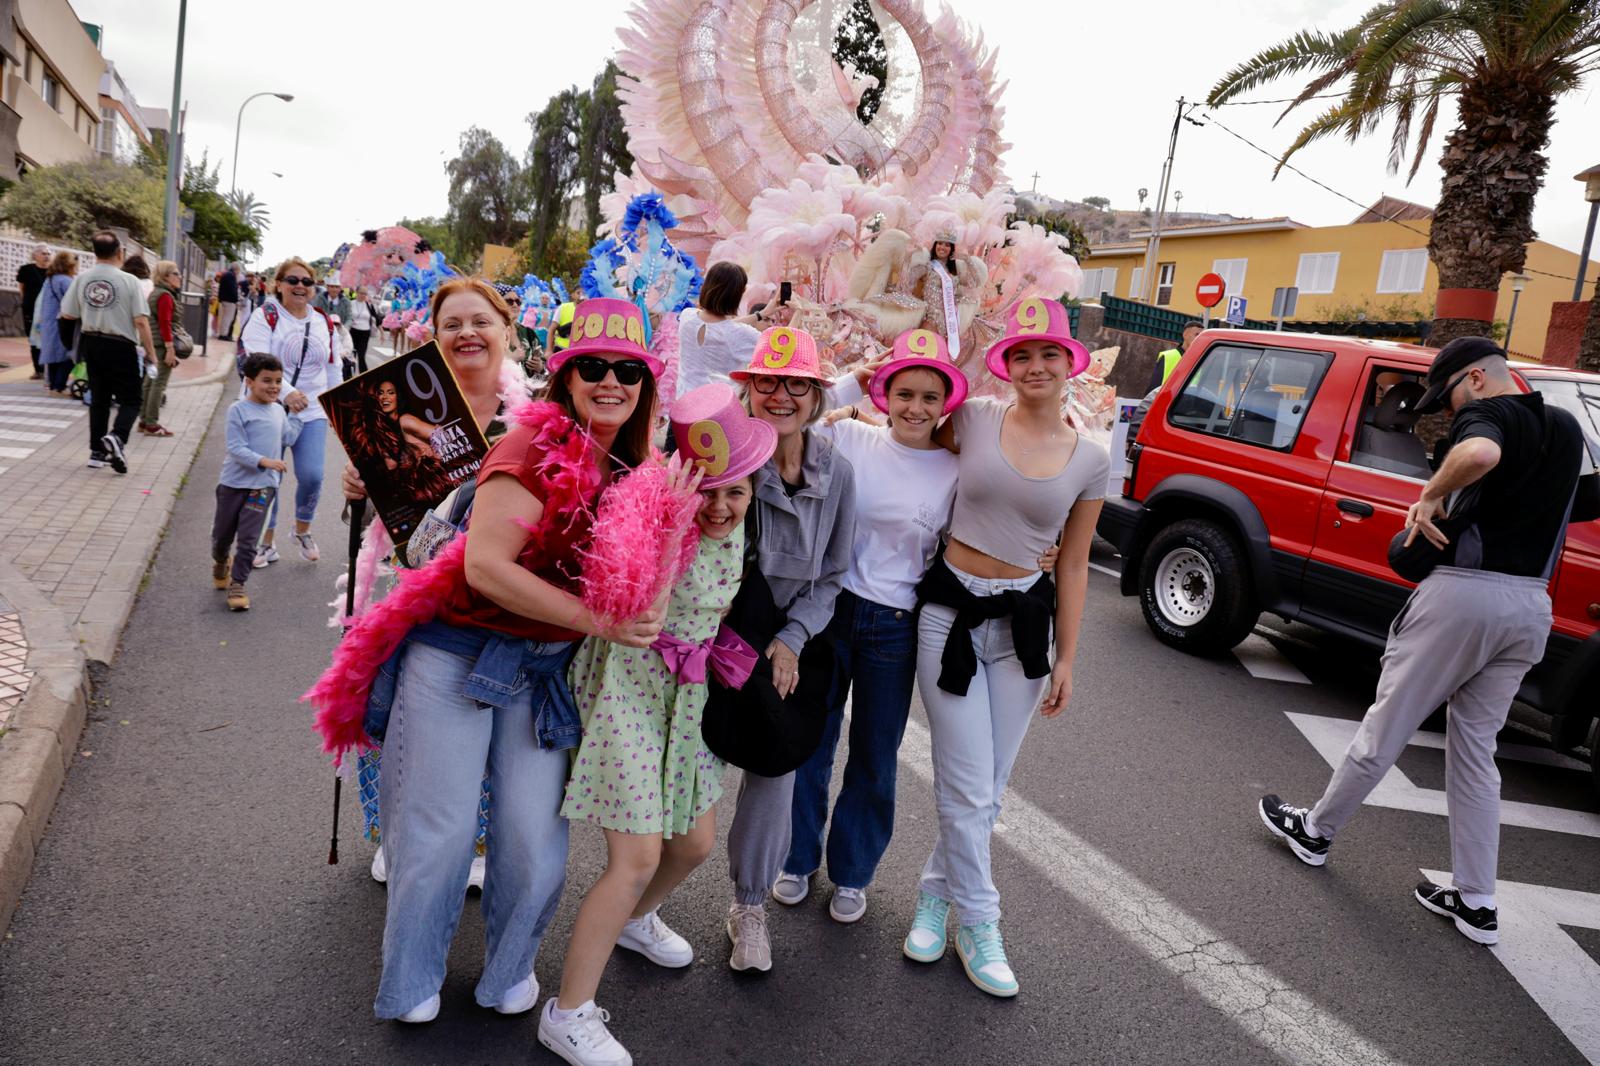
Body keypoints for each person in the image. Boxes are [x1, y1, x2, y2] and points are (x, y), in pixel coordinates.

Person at [346, 297, 668, 1024]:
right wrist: (601, 622)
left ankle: (509, 971)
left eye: (627, 369)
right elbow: (488, 568)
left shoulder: (632, 468)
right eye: (592, 367)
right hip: (457, 653)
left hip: (541, 670)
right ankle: (412, 983)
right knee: (442, 832)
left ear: (646, 383)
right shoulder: (528, 452)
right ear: (566, 378)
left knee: (532, 841)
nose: (610, 381)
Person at [1259, 336, 1584, 947]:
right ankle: (1476, 899)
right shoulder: (1566, 429)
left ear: (1480, 378)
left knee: (1390, 722)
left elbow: (1482, 452)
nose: (1450, 409)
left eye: (1452, 393)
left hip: (1464, 595)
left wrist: (1431, 492)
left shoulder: (1487, 414)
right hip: (1529, 606)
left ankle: (1315, 833)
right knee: (1475, 751)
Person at [543, 384, 774, 1066]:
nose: (724, 507)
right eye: (708, 492)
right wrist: (665, 526)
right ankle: (568, 1013)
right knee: (635, 855)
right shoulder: (653, 532)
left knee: (695, 843)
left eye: (737, 491)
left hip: (688, 698)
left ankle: (638, 919)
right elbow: (624, 598)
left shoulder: (740, 529)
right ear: (680, 488)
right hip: (629, 692)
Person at [904, 297, 1108, 998]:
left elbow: (1075, 563)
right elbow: (907, 440)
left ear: (1070, 361)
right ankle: (981, 922)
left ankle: (936, 897)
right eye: (1022, 354)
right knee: (966, 783)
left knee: (985, 792)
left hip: (1023, 630)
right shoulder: (975, 419)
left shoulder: (1092, 457)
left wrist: (1069, 658)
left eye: (1048, 352)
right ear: (1006, 364)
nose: (1035, 365)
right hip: (949, 618)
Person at [341, 277, 531, 888]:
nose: (467, 334)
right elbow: (384, 513)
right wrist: (359, 485)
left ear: (508, 330)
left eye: (481, 322)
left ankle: (473, 843)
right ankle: (389, 829)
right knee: (385, 705)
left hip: (489, 595)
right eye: (453, 324)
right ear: (435, 335)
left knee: (475, 713)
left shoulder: (533, 417)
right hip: (404, 583)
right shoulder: (400, 409)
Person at [721, 326, 856, 974]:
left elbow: (833, 574)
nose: (781, 395)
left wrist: (790, 640)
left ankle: (750, 908)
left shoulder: (839, 472)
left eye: (795, 383)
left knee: (774, 771)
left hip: (786, 645)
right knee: (684, 775)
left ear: (815, 395)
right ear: (748, 388)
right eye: (767, 382)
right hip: (713, 639)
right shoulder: (723, 454)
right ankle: (646, 902)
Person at [242, 258, 341, 565]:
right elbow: (256, 360)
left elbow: (333, 366)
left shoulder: (324, 321)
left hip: (311, 411)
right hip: (268, 409)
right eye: (293, 280)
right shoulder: (266, 316)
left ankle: (302, 529)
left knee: (312, 476)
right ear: (279, 284)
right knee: (269, 477)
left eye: (307, 282)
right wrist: (287, 393)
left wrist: (337, 409)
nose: (300, 286)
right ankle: (265, 542)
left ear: (314, 288)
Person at [58, 231, 159, 475]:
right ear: (120, 253)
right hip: (121, 344)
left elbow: (68, 314)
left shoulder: (82, 279)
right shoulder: (130, 281)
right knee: (132, 399)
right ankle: (117, 437)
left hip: (92, 342)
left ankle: (96, 452)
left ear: (95, 252)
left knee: (99, 399)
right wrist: (151, 353)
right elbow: (141, 321)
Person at [214, 354, 299, 610]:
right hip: (233, 484)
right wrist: (265, 461)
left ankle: (238, 583)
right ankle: (220, 560)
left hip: (263, 487)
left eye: (278, 381)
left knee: (249, 538)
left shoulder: (278, 411)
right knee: (222, 536)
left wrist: (296, 415)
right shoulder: (238, 410)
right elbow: (236, 448)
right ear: (249, 382)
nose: (274, 387)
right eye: (267, 381)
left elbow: (289, 438)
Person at [675, 262, 764, 399]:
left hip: (682, 406)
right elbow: (780, 346)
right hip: (719, 411)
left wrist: (761, 315)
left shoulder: (687, 316)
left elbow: (719, 327)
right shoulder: (739, 334)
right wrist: (797, 312)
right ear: (736, 295)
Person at [139, 260, 183, 438]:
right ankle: (152, 423)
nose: (179, 277)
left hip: (152, 343)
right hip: (161, 345)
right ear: (166, 276)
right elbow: (165, 323)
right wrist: (170, 348)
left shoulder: (156, 293)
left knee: (149, 383)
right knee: (158, 384)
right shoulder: (165, 296)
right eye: (176, 274)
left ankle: (144, 420)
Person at [37, 251, 78, 397]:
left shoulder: (50, 279)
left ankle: (53, 386)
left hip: (48, 322)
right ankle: (59, 386)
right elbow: (73, 303)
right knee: (69, 355)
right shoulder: (66, 281)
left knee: (53, 356)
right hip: (62, 323)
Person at [18, 243, 49, 380]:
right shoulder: (26, 270)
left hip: (48, 311)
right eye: (43, 253)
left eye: (48, 253)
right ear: (35, 255)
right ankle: (38, 370)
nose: (47, 256)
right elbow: (22, 289)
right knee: (33, 340)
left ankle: (47, 368)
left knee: (47, 339)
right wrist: (27, 303)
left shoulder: (53, 271)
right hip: (30, 310)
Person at [1148, 321, 1201, 394]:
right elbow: (1153, 388)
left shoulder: (1201, 360)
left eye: (1201, 336)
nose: (1199, 338)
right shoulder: (1168, 357)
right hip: (1165, 403)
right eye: (1196, 334)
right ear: (1185, 335)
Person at [348, 285, 379, 374]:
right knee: (351, 356)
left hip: (364, 333)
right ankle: (349, 377)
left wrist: (381, 332)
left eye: (365, 294)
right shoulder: (350, 303)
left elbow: (376, 319)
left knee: (361, 356)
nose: (363, 295)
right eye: (362, 293)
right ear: (356, 293)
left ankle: (364, 377)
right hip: (352, 332)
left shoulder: (369, 305)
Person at [214, 262, 240, 340]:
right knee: (228, 318)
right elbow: (233, 289)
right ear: (236, 269)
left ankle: (223, 333)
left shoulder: (226, 274)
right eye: (238, 270)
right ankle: (223, 335)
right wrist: (236, 300)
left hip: (224, 299)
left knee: (225, 318)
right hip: (229, 300)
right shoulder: (231, 276)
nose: (238, 272)